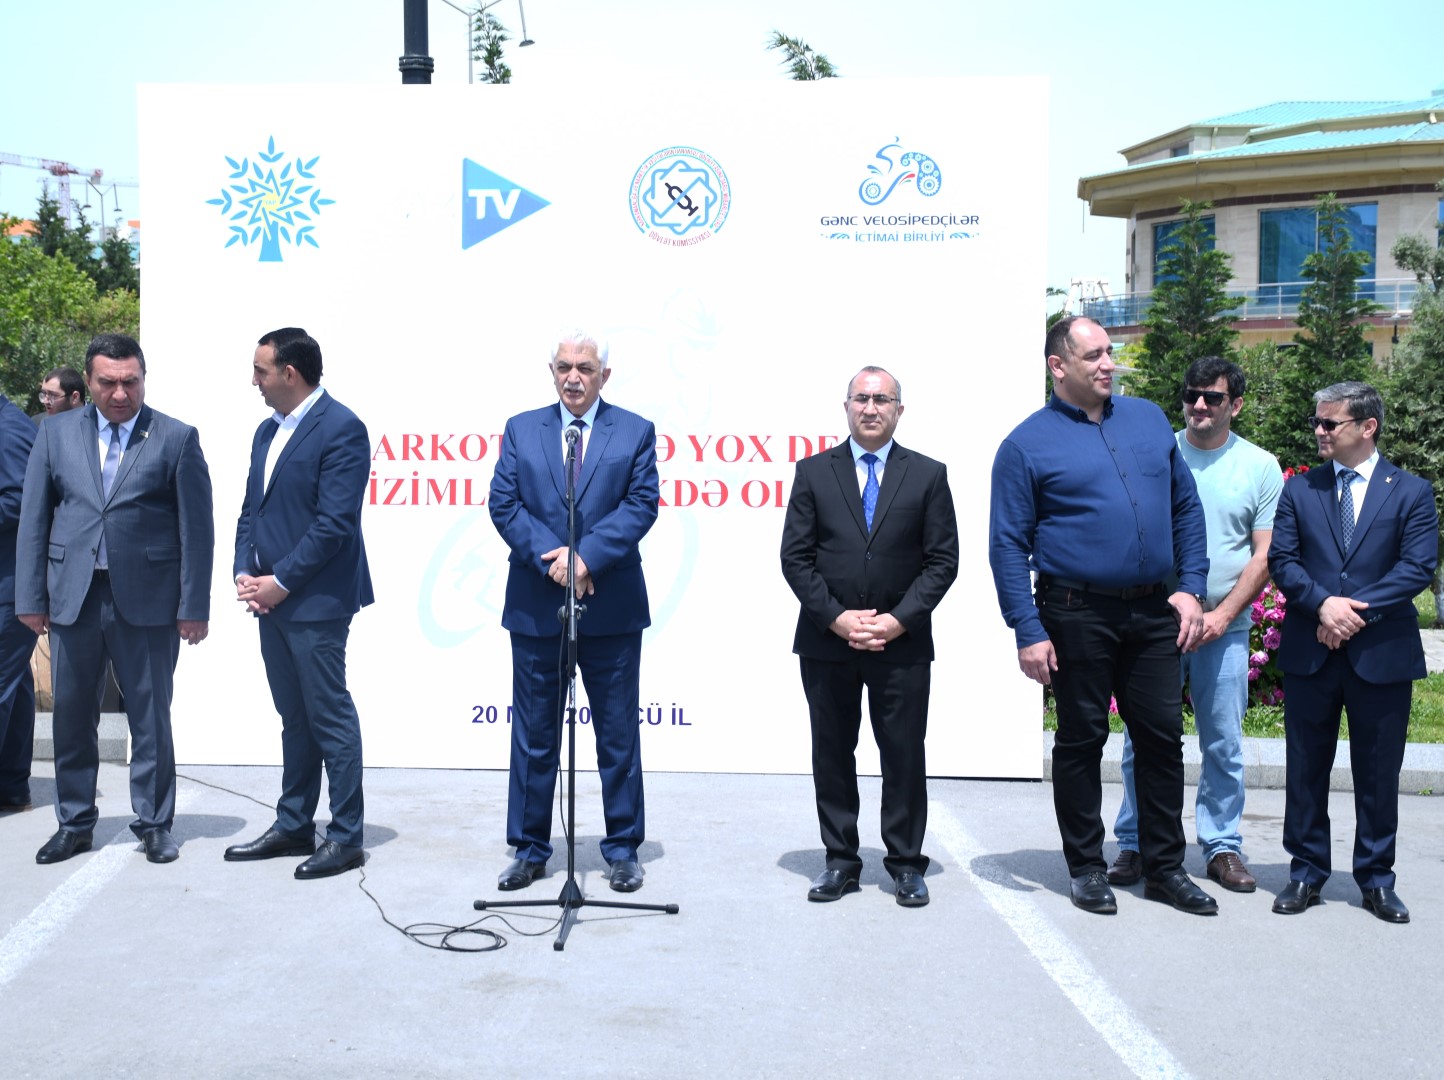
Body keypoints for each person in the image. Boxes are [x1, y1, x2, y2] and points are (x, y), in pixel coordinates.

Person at [989, 316, 1217, 916]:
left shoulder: (1147, 420)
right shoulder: (1025, 445)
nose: (1108, 364)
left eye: (1109, 352)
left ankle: (1165, 867)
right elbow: (1007, 545)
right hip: (1074, 611)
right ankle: (1087, 867)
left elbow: (1185, 509)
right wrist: (1027, 629)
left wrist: (1191, 589)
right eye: (1093, 355)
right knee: (1081, 738)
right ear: (1058, 365)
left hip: (1152, 610)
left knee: (1162, 740)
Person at [16, 333, 214, 864]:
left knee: (151, 718)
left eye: (131, 382)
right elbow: (34, 520)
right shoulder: (54, 433)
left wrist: (193, 606)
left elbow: (198, 531)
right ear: (89, 381)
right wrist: (30, 597)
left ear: (144, 379)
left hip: (149, 600)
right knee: (71, 716)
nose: (121, 393)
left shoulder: (176, 437)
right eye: (109, 382)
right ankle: (74, 823)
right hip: (73, 597)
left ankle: (155, 823)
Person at [488, 329, 659, 894]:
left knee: (617, 735)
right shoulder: (522, 429)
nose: (573, 377)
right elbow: (504, 503)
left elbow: (641, 505)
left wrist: (586, 558)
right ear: (552, 371)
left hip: (611, 607)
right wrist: (556, 562)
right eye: (564, 366)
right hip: (537, 606)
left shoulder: (634, 431)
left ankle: (623, 849)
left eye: (585, 367)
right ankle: (530, 849)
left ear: (604, 375)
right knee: (534, 736)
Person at [780, 367, 958, 907]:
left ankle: (905, 864)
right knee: (833, 752)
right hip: (827, 642)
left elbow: (943, 561)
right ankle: (840, 861)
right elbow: (795, 557)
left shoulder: (927, 475)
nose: (871, 407)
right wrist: (837, 618)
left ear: (899, 410)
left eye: (883, 399)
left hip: (901, 643)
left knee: (902, 754)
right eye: (862, 398)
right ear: (847, 407)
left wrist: (898, 620)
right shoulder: (814, 472)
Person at [1109, 357, 1282, 893]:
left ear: (1237, 404)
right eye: (1191, 395)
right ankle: (1135, 841)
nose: (1199, 405)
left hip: (1224, 628)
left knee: (1223, 742)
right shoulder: (1157, 454)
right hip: (1156, 623)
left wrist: (1223, 616)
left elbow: (1264, 554)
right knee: (1143, 740)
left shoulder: (1260, 466)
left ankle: (1222, 846)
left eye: (1212, 397)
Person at [1267, 381, 1438, 923]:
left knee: (1379, 771)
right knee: (1306, 768)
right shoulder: (1300, 489)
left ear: (1367, 427)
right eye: (1316, 422)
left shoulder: (1411, 491)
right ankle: (1306, 872)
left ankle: (1376, 879)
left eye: (1329, 423)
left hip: (1381, 652)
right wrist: (1323, 606)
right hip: (1312, 649)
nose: (1318, 431)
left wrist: (1350, 613)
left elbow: (1416, 568)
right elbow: (1283, 561)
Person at [225, 329, 374, 880]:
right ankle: (293, 824)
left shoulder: (341, 428)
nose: (254, 381)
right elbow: (252, 509)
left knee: (328, 715)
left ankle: (346, 836)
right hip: (272, 598)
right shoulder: (268, 430)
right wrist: (245, 570)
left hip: (316, 601)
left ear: (290, 373)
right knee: (295, 716)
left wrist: (281, 581)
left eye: (261, 371)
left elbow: (335, 524)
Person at [0, 393, 38, 813]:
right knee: (15, 684)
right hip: (10, 586)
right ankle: (11, 784)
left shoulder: (9, 430)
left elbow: (19, 502)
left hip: (10, 587)